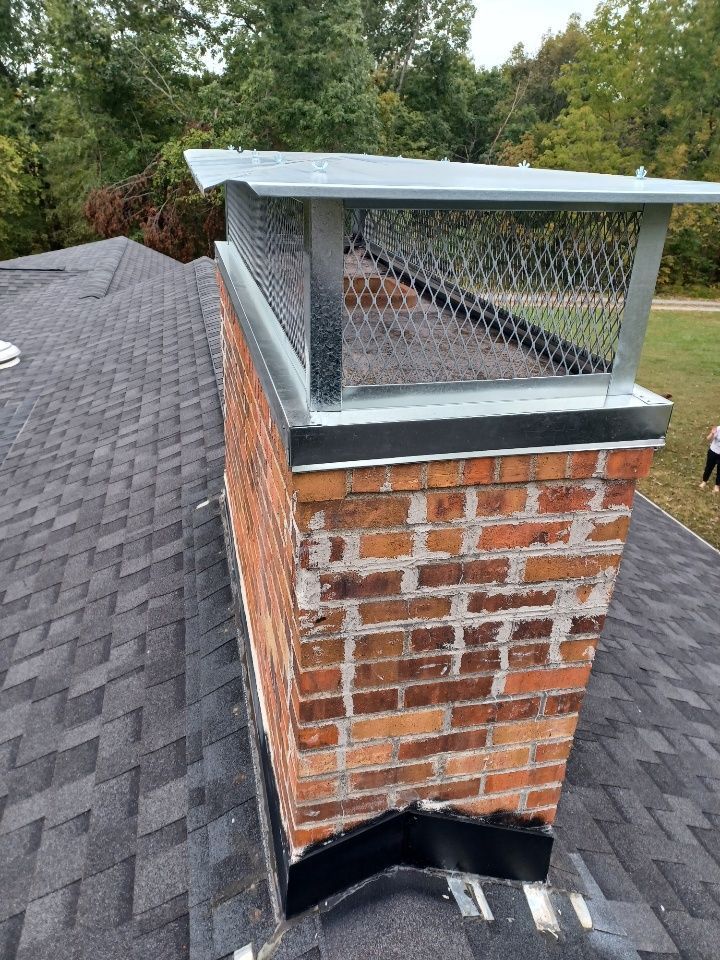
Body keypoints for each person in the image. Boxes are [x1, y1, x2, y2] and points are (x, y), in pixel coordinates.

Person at [700, 424, 720, 493]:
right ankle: (704, 481)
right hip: (713, 452)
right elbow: (708, 439)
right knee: (708, 467)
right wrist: (712, 433)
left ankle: (717, 486)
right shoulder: (718, 429)